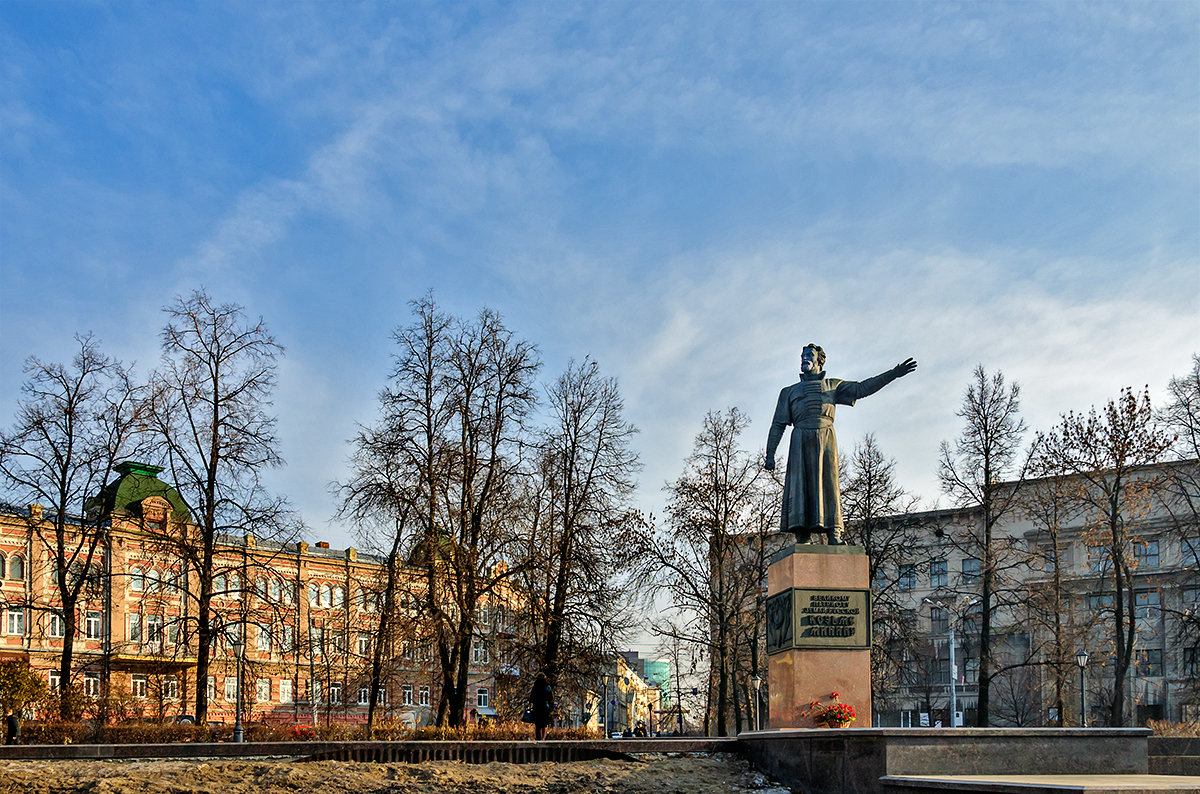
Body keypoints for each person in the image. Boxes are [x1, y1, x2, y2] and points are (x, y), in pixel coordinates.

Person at [765, 344, 916, 544]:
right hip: (800, 440)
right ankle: (802, 533)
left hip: (825, 437)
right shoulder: (789, 392)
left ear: (819, 360)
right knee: (800, 485)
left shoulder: (832, 385)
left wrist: (893, 374)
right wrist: (770, 454)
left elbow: (862, 388)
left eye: (809, 355)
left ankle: (833, 532)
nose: (805, 358)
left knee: (829, 483)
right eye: (802, 355)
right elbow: (778, 424)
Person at [529, 672, 553, 741]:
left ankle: (539, 738)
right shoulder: (547, 687)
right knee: (544, 724)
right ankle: (543, 738)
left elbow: (531, 698)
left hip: (537, 707)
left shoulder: (535, 686)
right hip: (545, 707)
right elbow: (550, 698)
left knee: (538, 725)